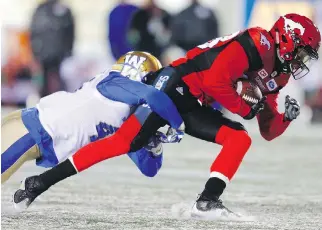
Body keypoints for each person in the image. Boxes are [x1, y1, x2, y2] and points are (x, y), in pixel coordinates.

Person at [14, 14, 320, 218]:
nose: (303, 61)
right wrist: (245, 106)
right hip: (175, 82)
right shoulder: (257, 42)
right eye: (304, 51)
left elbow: (267, 129)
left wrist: (286, 118)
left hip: (194, 100)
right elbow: (216, 81)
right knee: (125, 142)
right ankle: (41, 181)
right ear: (287, 39)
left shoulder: (277, 74)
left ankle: (207, 201)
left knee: (239, 138)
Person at [2, 51, 185, 190]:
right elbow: (152, 94)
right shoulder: (113, 81)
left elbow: (149, 169)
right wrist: (178, 124)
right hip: (33, 128)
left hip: (40, 135)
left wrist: (154, 144)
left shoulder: (128, 114)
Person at [30, 0, 75, 97]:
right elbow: (33, 34)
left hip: (59, 58)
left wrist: (68, 53)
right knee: (45, 83)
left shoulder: (64, 10)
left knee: (57, 82)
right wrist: (35, 54)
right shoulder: (40, 10)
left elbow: (70, 34)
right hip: (44, 58)